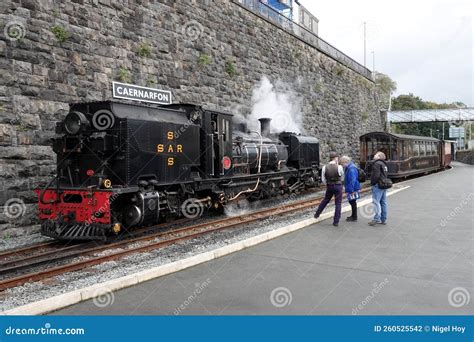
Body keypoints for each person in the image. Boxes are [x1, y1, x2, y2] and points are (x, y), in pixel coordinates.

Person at [314, 152, 344, 227]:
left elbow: (323, 179)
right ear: (335, 158)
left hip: (329, 186)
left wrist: (327, 184)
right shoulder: (339, 167)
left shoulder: (325, 167)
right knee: (338, 203)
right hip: (338, 186)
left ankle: (317, 214)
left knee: (325, 200)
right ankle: (336, 222)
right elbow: (342, 177)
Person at [369, 151, 389, 226]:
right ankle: (383, 219)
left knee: (376, 202)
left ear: (379, 157)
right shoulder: (384, 164)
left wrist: (373, 183)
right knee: (383, 202)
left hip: (378, 185)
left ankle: (376, 219)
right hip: (384, 185)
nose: (374, 155)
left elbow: (376, 176)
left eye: (376, 155)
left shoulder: (377, 163)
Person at [339, 155, 361, 221]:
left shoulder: (351, 169)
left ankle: (354, 217)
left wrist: (351, 190)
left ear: (345, 162)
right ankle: (353, 216)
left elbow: (352, 180)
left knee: (352, 202)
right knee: (352, 202)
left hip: (352, 188)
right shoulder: (350, 167)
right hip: (352, 187)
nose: (342, 165)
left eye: (342, 163)